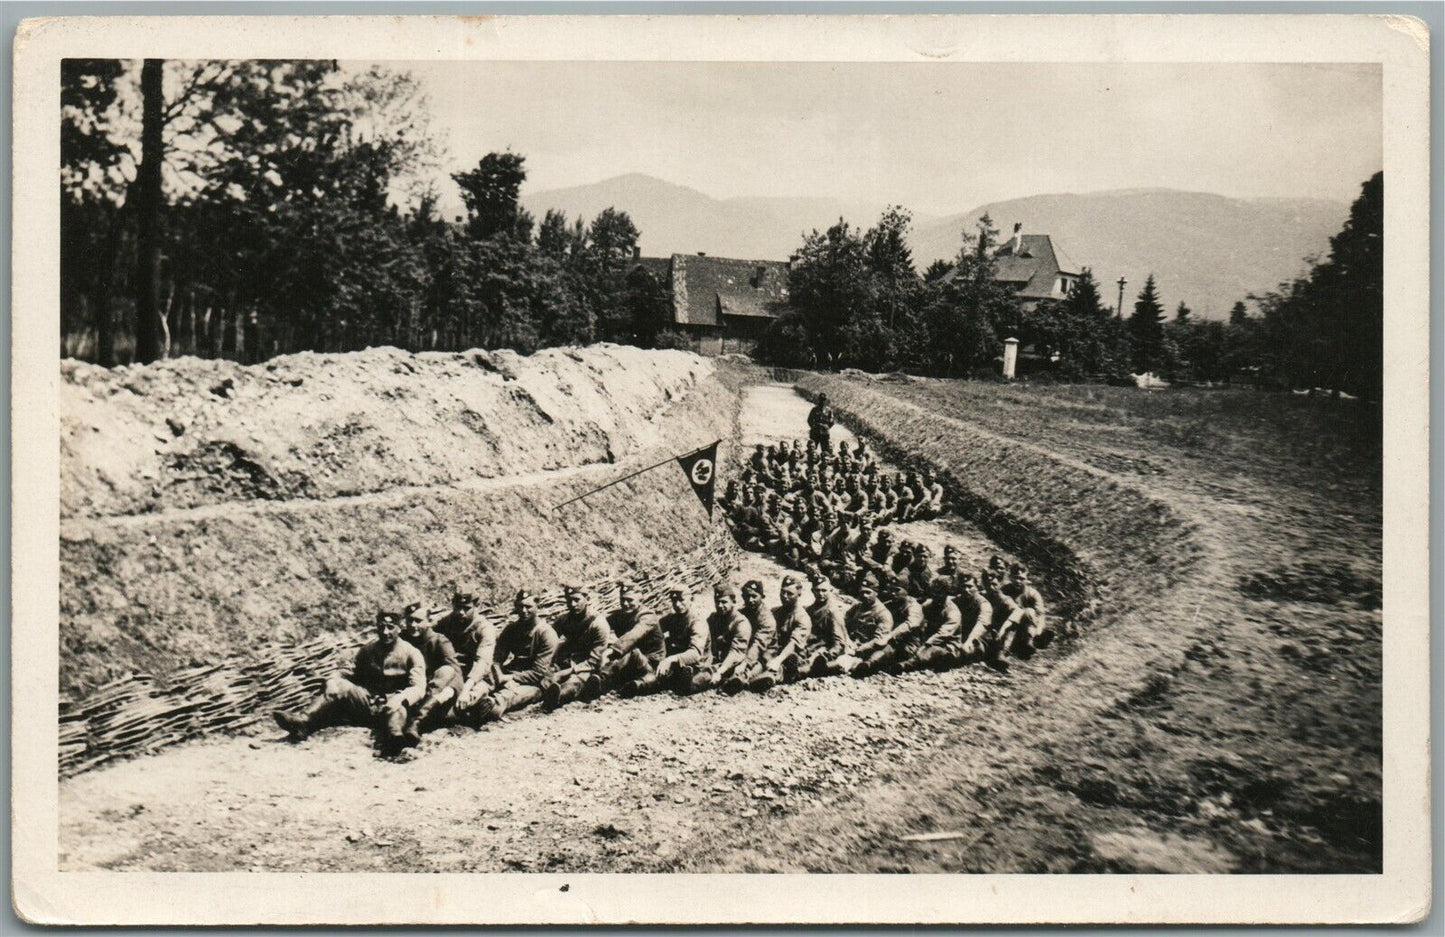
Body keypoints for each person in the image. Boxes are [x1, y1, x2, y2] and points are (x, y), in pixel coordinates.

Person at [273, 610, 426, 756]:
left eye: (390, 627)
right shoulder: (368, 649)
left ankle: (394, 739)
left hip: (394, 705)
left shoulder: (412, 653)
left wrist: (400, 698)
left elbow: (418, 687)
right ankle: (303, 721)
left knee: (397, 713)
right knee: (340, 685)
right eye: (381, 627)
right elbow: (346, 670)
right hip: (368, 702)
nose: (385, 632)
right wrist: (332, 680)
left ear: (400, 628)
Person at [459, 590, 559, 725]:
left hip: (536, 681)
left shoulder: (546, 634)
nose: (523, 610)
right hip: (510, 671)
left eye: (528, 606)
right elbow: (496, 658)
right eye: (519, 606)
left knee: (513, 694)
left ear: (537, 606)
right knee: (487, 681)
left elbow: (538, 672)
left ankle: (491, 705)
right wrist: (499, 675)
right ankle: (471, 698)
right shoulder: (511, 629)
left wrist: (510, 678)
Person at [621, 585, 710, 697]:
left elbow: (695, 654)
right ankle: (636, 684)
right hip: (673, 662)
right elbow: (654, 630)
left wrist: (671, 659)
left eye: (681, 600)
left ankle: (639, 685)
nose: (677, 604)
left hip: (695, 666)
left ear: (691, 600)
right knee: (656, 671)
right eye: (674, 600)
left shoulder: (697, 622)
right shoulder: (672, 618)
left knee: (662, 679)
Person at [399, 601, 465, 746]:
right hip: (409, 690)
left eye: (418, 621)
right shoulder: (402, 640)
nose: (413, 625)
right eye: (410, 620)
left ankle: (417, 721)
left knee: (446, 671)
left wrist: (450, 691)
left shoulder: (439, 641)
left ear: (429, 622)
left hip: (432, 693)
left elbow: (456, 672)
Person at [543, 586, 615, 711]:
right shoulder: (563, 620)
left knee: (575, 681)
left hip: (586, 665)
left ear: (586, 599)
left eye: (577, 600)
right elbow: (550, 643)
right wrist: (549, 665)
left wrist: (564, 672)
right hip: (565, 660)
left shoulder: (598, 624)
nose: (573, 604)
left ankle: (558, 697)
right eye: (569, 600)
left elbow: (594, 661)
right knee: (544, 677)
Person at [681, 583, 754, 694]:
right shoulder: (714, 618)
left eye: (724, 602)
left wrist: (720, 672)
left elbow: (736, 652)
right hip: (712, 659)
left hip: (730, 664)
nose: (720, 605)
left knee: (695, 682)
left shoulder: (741, 623)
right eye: (717, 602)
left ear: (733, 602)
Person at [745, 574, 813, 691]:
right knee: (758, 663)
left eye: (790, 594)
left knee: (785, 665)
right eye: (783, 592)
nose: (785, 596)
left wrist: (778, 660)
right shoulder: (775, 611)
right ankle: (749, 677)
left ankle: (774, 677)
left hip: (791, 656)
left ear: (799, 594)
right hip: (772, 652)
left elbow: (794, 643)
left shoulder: (802, 617)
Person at [600, 583, 665, 692]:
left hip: (650, 665)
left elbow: (633, 636)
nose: (625, 604)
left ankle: (602, 679)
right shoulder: (621, 615)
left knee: (632, 652)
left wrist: (611, 650)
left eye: (630, 600)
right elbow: (601, 624)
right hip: (630, 663)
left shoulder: (647, 616)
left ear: (640, 598)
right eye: (622, 599)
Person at [433, 589, 499, 690]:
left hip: (475, 677)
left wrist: (467, 688)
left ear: (477, 606)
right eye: (458, 607)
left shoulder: (485, 628)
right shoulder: (444, 621)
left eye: (466, 608)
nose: (461, 612)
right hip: (450, 671)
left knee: (472, 698)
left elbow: (483, 662)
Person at [900, 579, 965, 672]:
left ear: (946, 593)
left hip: (947, 646)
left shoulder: (953, 612)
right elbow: (919, 619)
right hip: (928, 641)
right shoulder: (929, 604)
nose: (935, 596)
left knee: (930, 652)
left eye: (938, 593)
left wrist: (925, 645)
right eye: (933, 593)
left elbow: (942, 634)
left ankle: (905, 666)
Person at [801, 571, 855, 676]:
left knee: (807, 667)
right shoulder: (811, 609)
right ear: (812, 591)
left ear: (830, 591)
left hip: (823, 647)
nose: (820, 594)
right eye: (817, 590)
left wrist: (829, 655)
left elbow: (839, 642)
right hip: (809, 645)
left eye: (824, 590)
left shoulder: (832, 611)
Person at [842, 574, 896, 675]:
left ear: (876, 593)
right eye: (862, 592)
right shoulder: (857, 607)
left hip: (867, 649)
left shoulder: (883, 614)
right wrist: (847, 640)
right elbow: (843, 623)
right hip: (850, 644)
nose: (864, 595)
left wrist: (860, 648)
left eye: (868, 592)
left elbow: (879, 639)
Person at [1000, 562, 1052, 654]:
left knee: (1029, 612)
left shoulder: (1032, 594)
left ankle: (1032, 642)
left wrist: (1038, 632)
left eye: (1021, 578)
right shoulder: (1004, 590)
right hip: (1007, 624)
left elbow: (1041, 615)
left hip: (1025, 628)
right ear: (1010, 577)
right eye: (1015, 577)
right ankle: (1006, 646)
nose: (1018, 581)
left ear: (1026, 579)